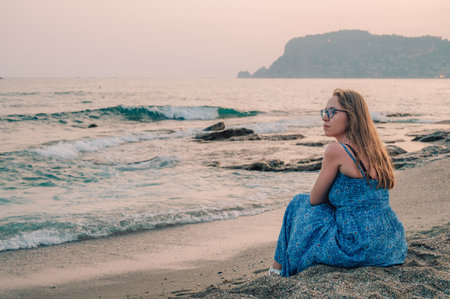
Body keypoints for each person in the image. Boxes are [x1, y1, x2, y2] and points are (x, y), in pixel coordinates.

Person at [269, 89, 407, 276]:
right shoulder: (377, 151)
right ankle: (277, 270)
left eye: (332, 112)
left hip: (358, 245)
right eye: (324, 111)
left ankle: (276, 270)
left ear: (351, 116)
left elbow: (315, 199)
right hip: (391, 243)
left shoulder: (337, 150)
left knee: (298, 202)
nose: (325, 118)